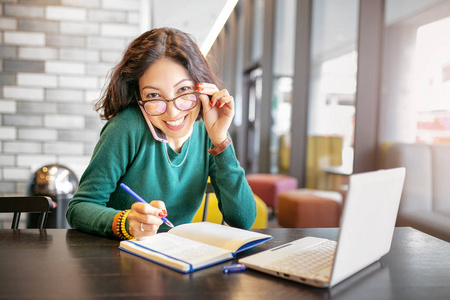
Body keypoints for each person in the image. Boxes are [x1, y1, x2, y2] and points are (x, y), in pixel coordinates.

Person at [66, 27, 256, 240]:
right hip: (120, 258)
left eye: (183, 91)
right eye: (154, 95)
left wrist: (220, 140)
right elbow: (80, 207)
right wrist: (124, 222)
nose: (173, 112)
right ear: (139, 97)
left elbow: (243, 220)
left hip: (177, 258)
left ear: (202, 89)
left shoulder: (207, 134)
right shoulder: (127, 127)